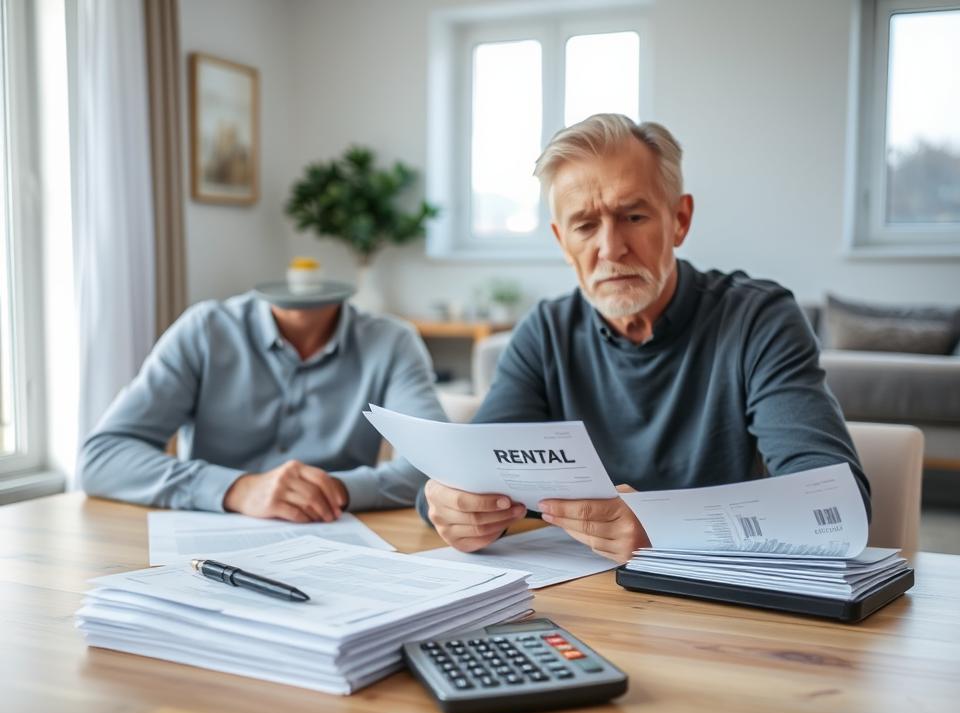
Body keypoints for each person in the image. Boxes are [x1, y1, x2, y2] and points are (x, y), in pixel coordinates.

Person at [421, 114, 870, 562]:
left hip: (720, 606)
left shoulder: (759, 319)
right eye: (584, 226)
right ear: (562, 241)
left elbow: (837, 506)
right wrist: (451, 506)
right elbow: (466, 479)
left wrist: (667, 528)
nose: (611, 248)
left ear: (679, 219)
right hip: (583, 601)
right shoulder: (545, 333)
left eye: (633, 216)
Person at [79, 290, 447, 521]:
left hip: (338, 541)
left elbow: (439, 467)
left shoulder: (392, 341)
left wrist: (336, 489)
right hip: (208, 549)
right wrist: (237, 489)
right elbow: (101, 459)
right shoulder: (205, 330)